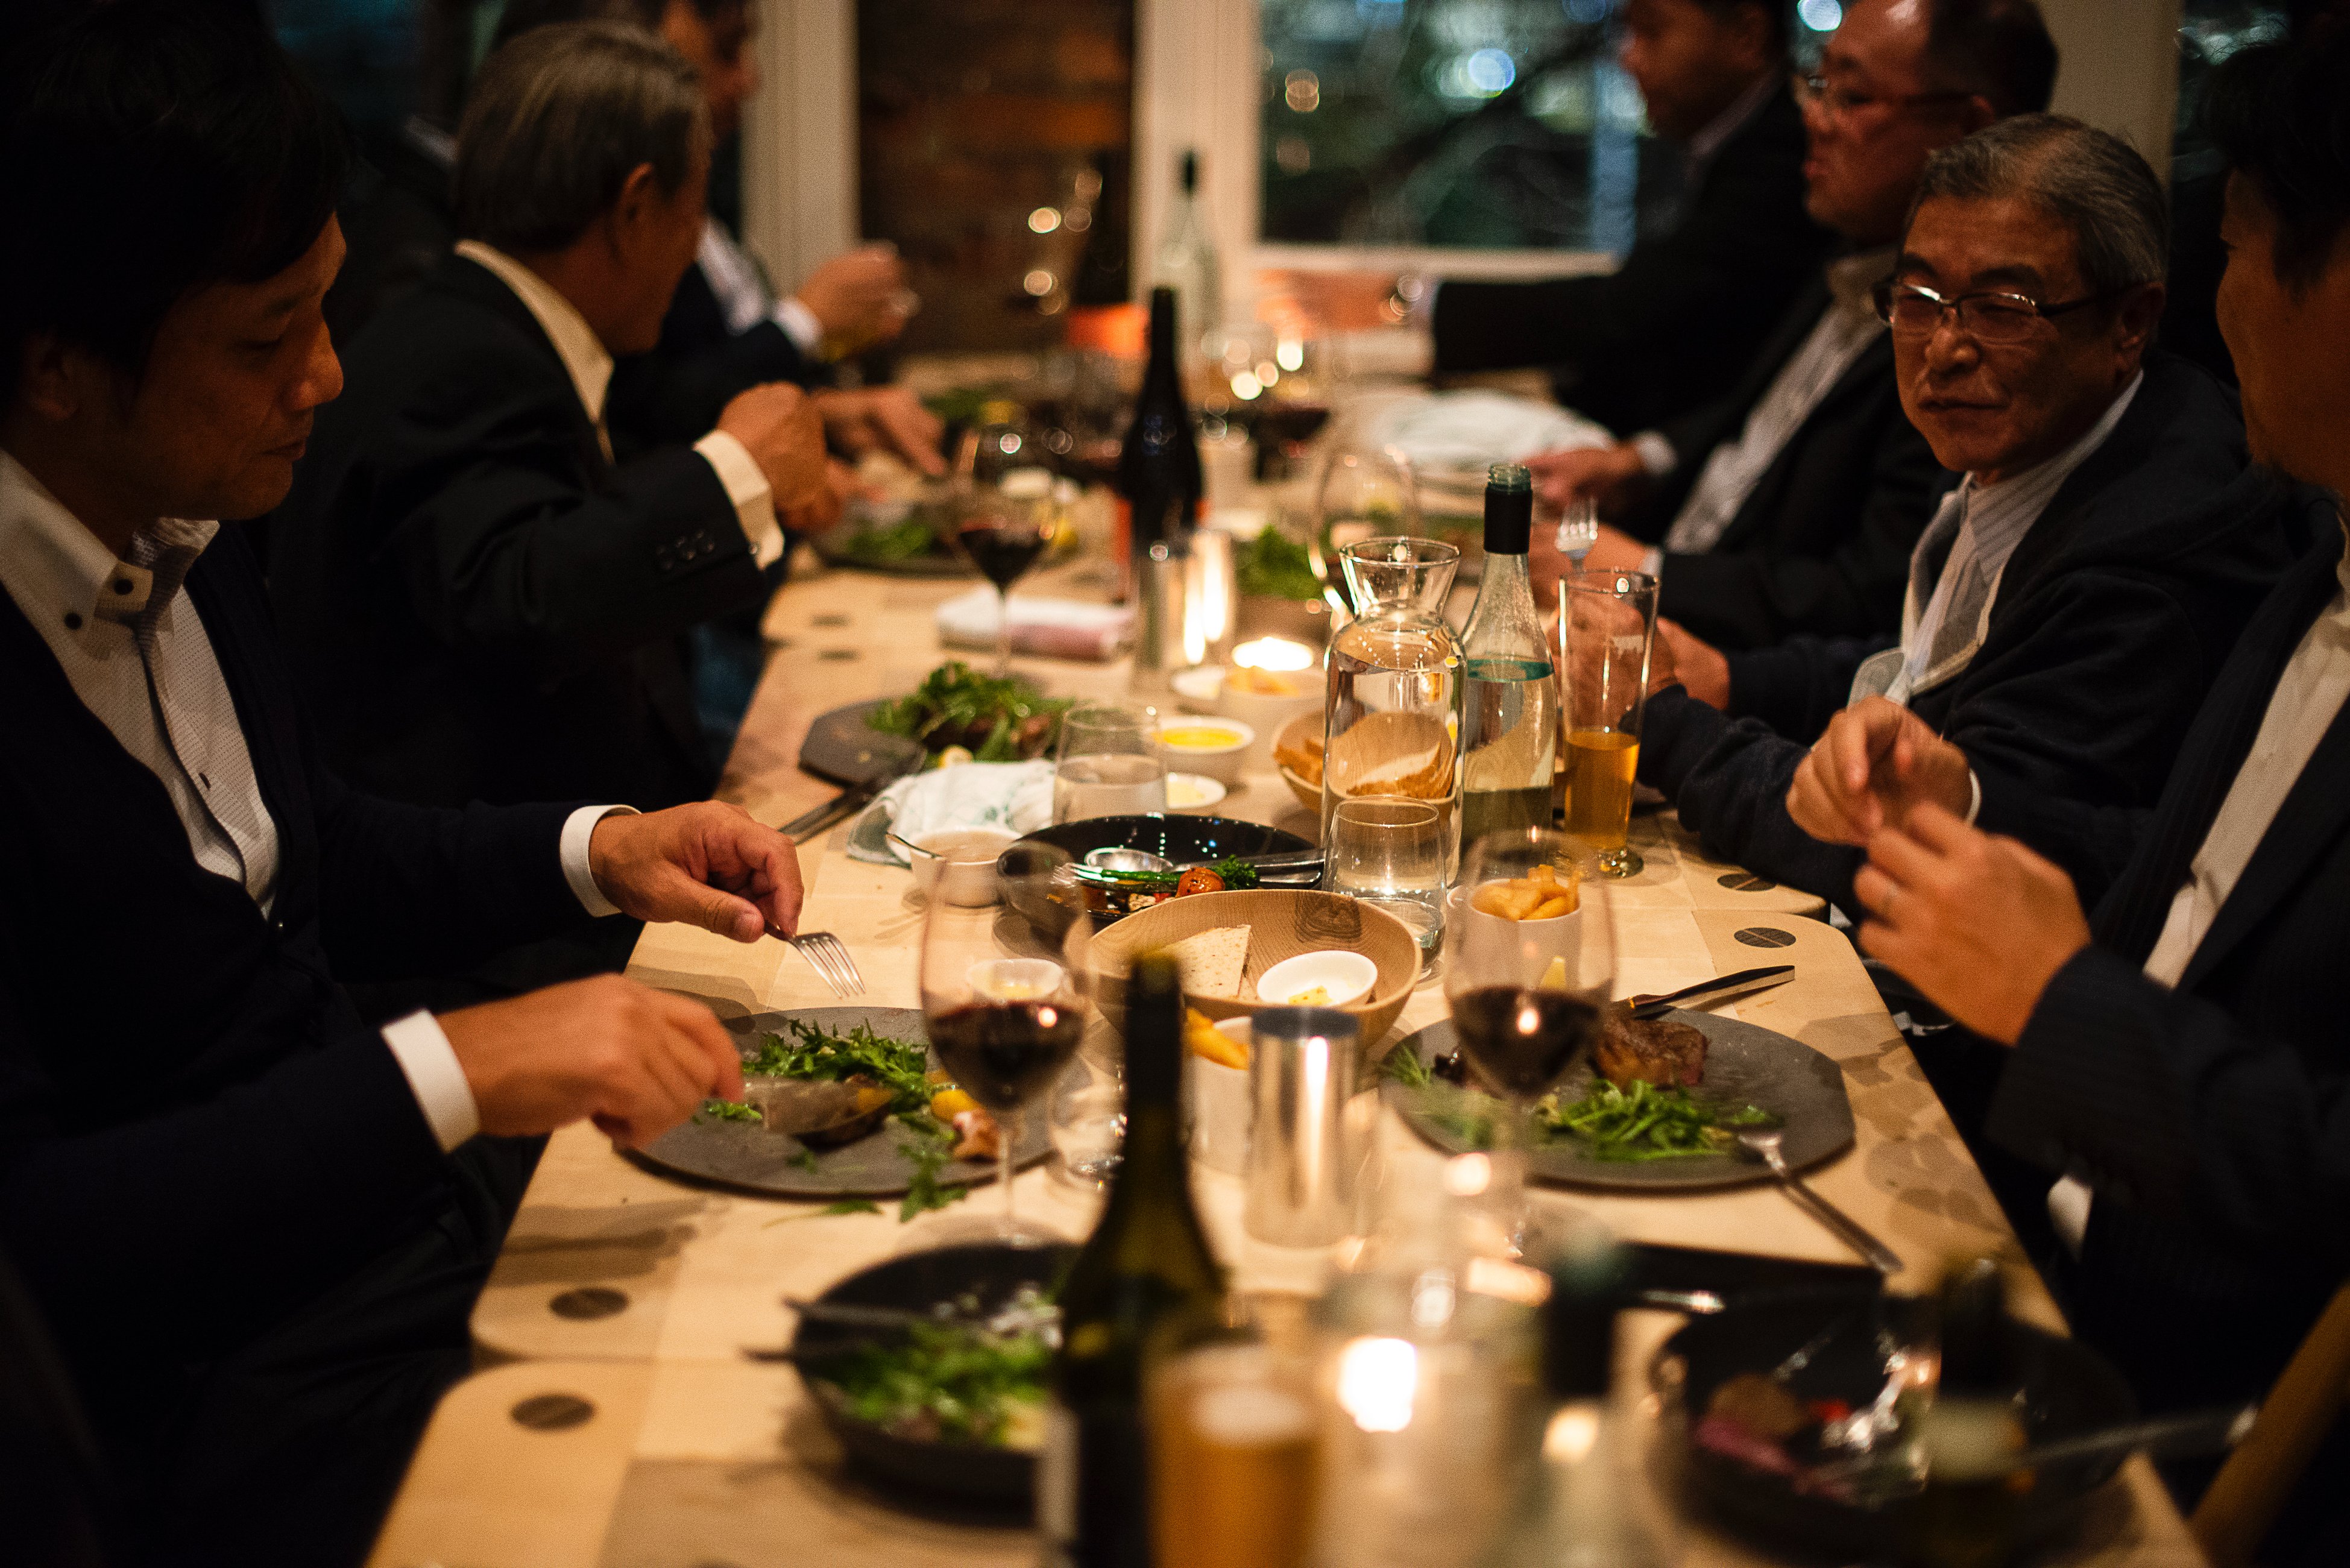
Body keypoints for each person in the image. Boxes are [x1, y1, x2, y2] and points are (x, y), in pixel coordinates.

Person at [0, 7, 807, 1563]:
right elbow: (43, 1240)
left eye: (326, 308)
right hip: (225, 1403)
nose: (325, 373)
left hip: (394, 1236)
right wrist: (459, 1061)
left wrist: (605, 848)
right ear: (55, 366)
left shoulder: (188, 531)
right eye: (263, 339)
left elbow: (317, 846)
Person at [1828, 37, 2350, 1564]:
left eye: (2242, 252)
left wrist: (2056, 1001)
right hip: (2017, 1233)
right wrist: (1965, 794)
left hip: (2161, 1395)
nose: (2219, 308)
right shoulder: (2314, 563)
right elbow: (2192, 891)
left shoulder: (2199, 516)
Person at [1635, 116, 2296, 919]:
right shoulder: (2062, 433)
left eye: (2001, 307)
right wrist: (1733, 679)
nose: (1943, 348)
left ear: (2128, 323)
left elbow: (1917, 855)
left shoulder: (2147, 556)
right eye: (1917, 299)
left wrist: (1658, 719)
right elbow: (1934, 670)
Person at [273, 22, 835, 822]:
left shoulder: (495, 327)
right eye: (695, 205)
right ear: (637, 207)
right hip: (494, 914)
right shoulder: (464, 359)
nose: (693, 247)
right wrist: (740, 467)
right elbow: (526, 601)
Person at [1526, 0, 2059, 651]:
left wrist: (1644, 572)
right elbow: (1757, 424)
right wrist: (1637, 461)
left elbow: (1873, 595)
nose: (1814, 117)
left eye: (1853, 96)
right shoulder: (1846, 246)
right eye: (1818, 85)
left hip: (1716, 652)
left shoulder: (1964, 344)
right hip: (1664, 575)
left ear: (1967, 131)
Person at [1423, 0, 1832, 436]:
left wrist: (1423, 307)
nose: (1628, 56)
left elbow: (1635, 306)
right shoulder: (1721, 143)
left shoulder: (1787, 158)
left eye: (1651, 32)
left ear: (1747, 37)